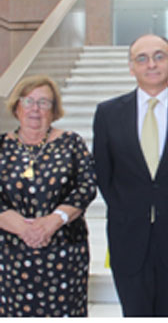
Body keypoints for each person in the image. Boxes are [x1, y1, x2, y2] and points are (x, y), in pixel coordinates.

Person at [92, 34, 168, 316]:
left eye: (159, 56)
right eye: (141, 58)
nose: (151, 64)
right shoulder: (108, 113)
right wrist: (129, 208)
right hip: (128, 234)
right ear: (131, 67)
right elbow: (105, 174)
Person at [0, 75, 97, 317]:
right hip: (10, 254)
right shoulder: (2, 145)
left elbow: (86, 186)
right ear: (16, 106)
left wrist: (53, 221)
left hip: (64, 252)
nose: (35, 109)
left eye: (44, 103)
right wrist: (22, 228)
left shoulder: (71, 143)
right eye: (29, 101)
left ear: (54, 110)